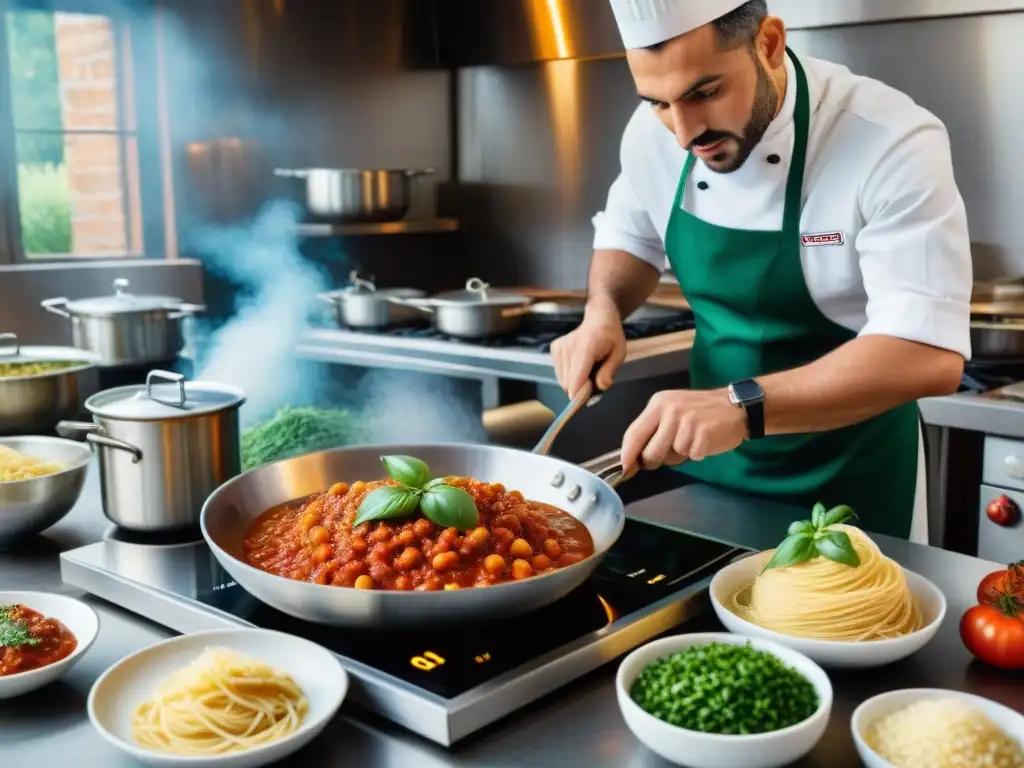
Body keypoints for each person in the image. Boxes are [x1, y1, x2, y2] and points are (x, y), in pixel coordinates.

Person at [550, 0, 972, 541]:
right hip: (710, 475)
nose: (683, 132)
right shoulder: (652, 133)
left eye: (705, 93)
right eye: (659, 103)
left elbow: (927, 356)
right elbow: (630, 235)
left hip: (850, 482)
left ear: (769, 43)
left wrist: (739, 406)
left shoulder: (888, 139)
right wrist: (601, 312)